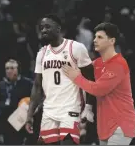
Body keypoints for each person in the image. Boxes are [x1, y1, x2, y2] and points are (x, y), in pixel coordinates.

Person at [62, 22, 135, 145]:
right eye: (95, 37)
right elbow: (81, 74)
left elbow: (98, 89)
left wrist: (76, 77)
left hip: (121, 124)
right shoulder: (97, 63)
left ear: (112, 41)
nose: (95, 40)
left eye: (100, 37)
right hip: (104, 125)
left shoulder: (118, 64)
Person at [25, 14, 95, 145]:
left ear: (58, 28)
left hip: (72, 107)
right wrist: (29, 115)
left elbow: (90, 80)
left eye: (47, 27)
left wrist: (88, 108)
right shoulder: (42, 53)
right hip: (50, 109)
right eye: (41, 28)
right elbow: (37, 86)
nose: (43, 30)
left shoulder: (76, 48)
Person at [0, 59, 33, 145]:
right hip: (4, 121)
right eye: (7, 68)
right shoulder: (1, 84)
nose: (9, 71)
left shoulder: (27, 84)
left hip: (20, 120)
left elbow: (36, 99)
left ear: (18, 70)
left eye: (12, 68)